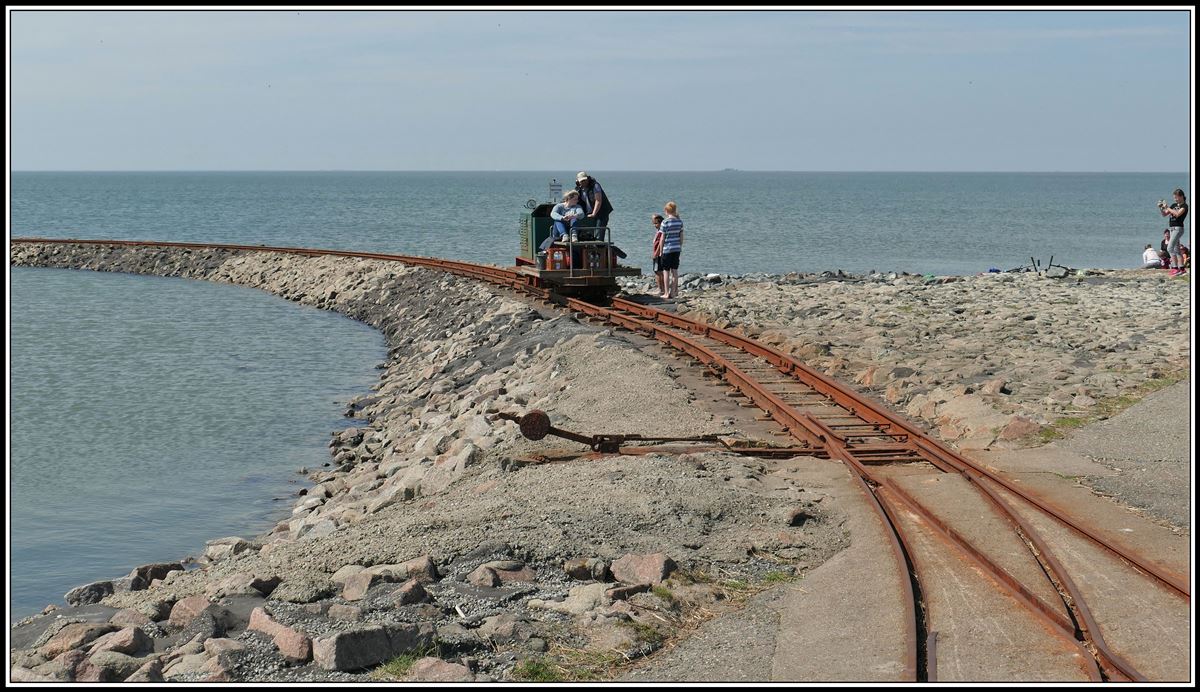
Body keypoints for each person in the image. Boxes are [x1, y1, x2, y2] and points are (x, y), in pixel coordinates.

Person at [574, 171, 614, 240]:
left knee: (599, 235)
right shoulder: (578, 189)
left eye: (585, 180)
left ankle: (600, 247)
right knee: (588, 235)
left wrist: (594, 214)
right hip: (589, 213)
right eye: (581, 181)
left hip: (601, 213)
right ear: (578, 181)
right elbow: (574, 200)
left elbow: (598, 200)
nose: (584, 182)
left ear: (587, 178)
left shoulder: (595, 185)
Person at [1159, 188, 1188, 276]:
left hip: (1178, 228)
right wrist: (1161, 208)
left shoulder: (1185, 206)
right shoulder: (1173, 205)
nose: (1175, 199)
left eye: (1176, 197)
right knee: (1176, 250)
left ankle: (1175, 268)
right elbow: (1164, 214)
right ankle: (1182, 269)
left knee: (1169, 248)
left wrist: (1167, 207)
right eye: (1174, 198)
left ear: (1181, 196)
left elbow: (1177, 214)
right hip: (1172, 228)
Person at [658, 201, 683, 299]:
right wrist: (679, 246)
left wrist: (660, 250)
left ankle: (666, 293)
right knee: (675, 271)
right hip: (676, 249)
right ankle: (673, 292)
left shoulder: (665, 222)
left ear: (666, 211)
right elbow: (681, 236)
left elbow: (662, 238)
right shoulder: (679, 222)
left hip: (667, 249)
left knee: (666, 271)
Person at [650, 214, 665, 295]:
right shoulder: (659, 232)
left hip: (658, 254)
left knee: (657, 271)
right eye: (654, 223)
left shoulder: (660, 232)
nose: (654, 225)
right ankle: (662, 288)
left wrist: (656, 253)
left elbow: (659, 244)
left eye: (656, 223)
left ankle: (660, 289)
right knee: (659, 271)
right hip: (658, 253)